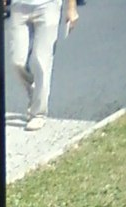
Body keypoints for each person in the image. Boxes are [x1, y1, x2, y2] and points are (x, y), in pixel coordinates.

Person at [9, 0, 79, 132]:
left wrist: (71, 8)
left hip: (48, 5)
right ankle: (35, 94)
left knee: (41, 61)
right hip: (19, 6)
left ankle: (38, 114)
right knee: (17, 61)